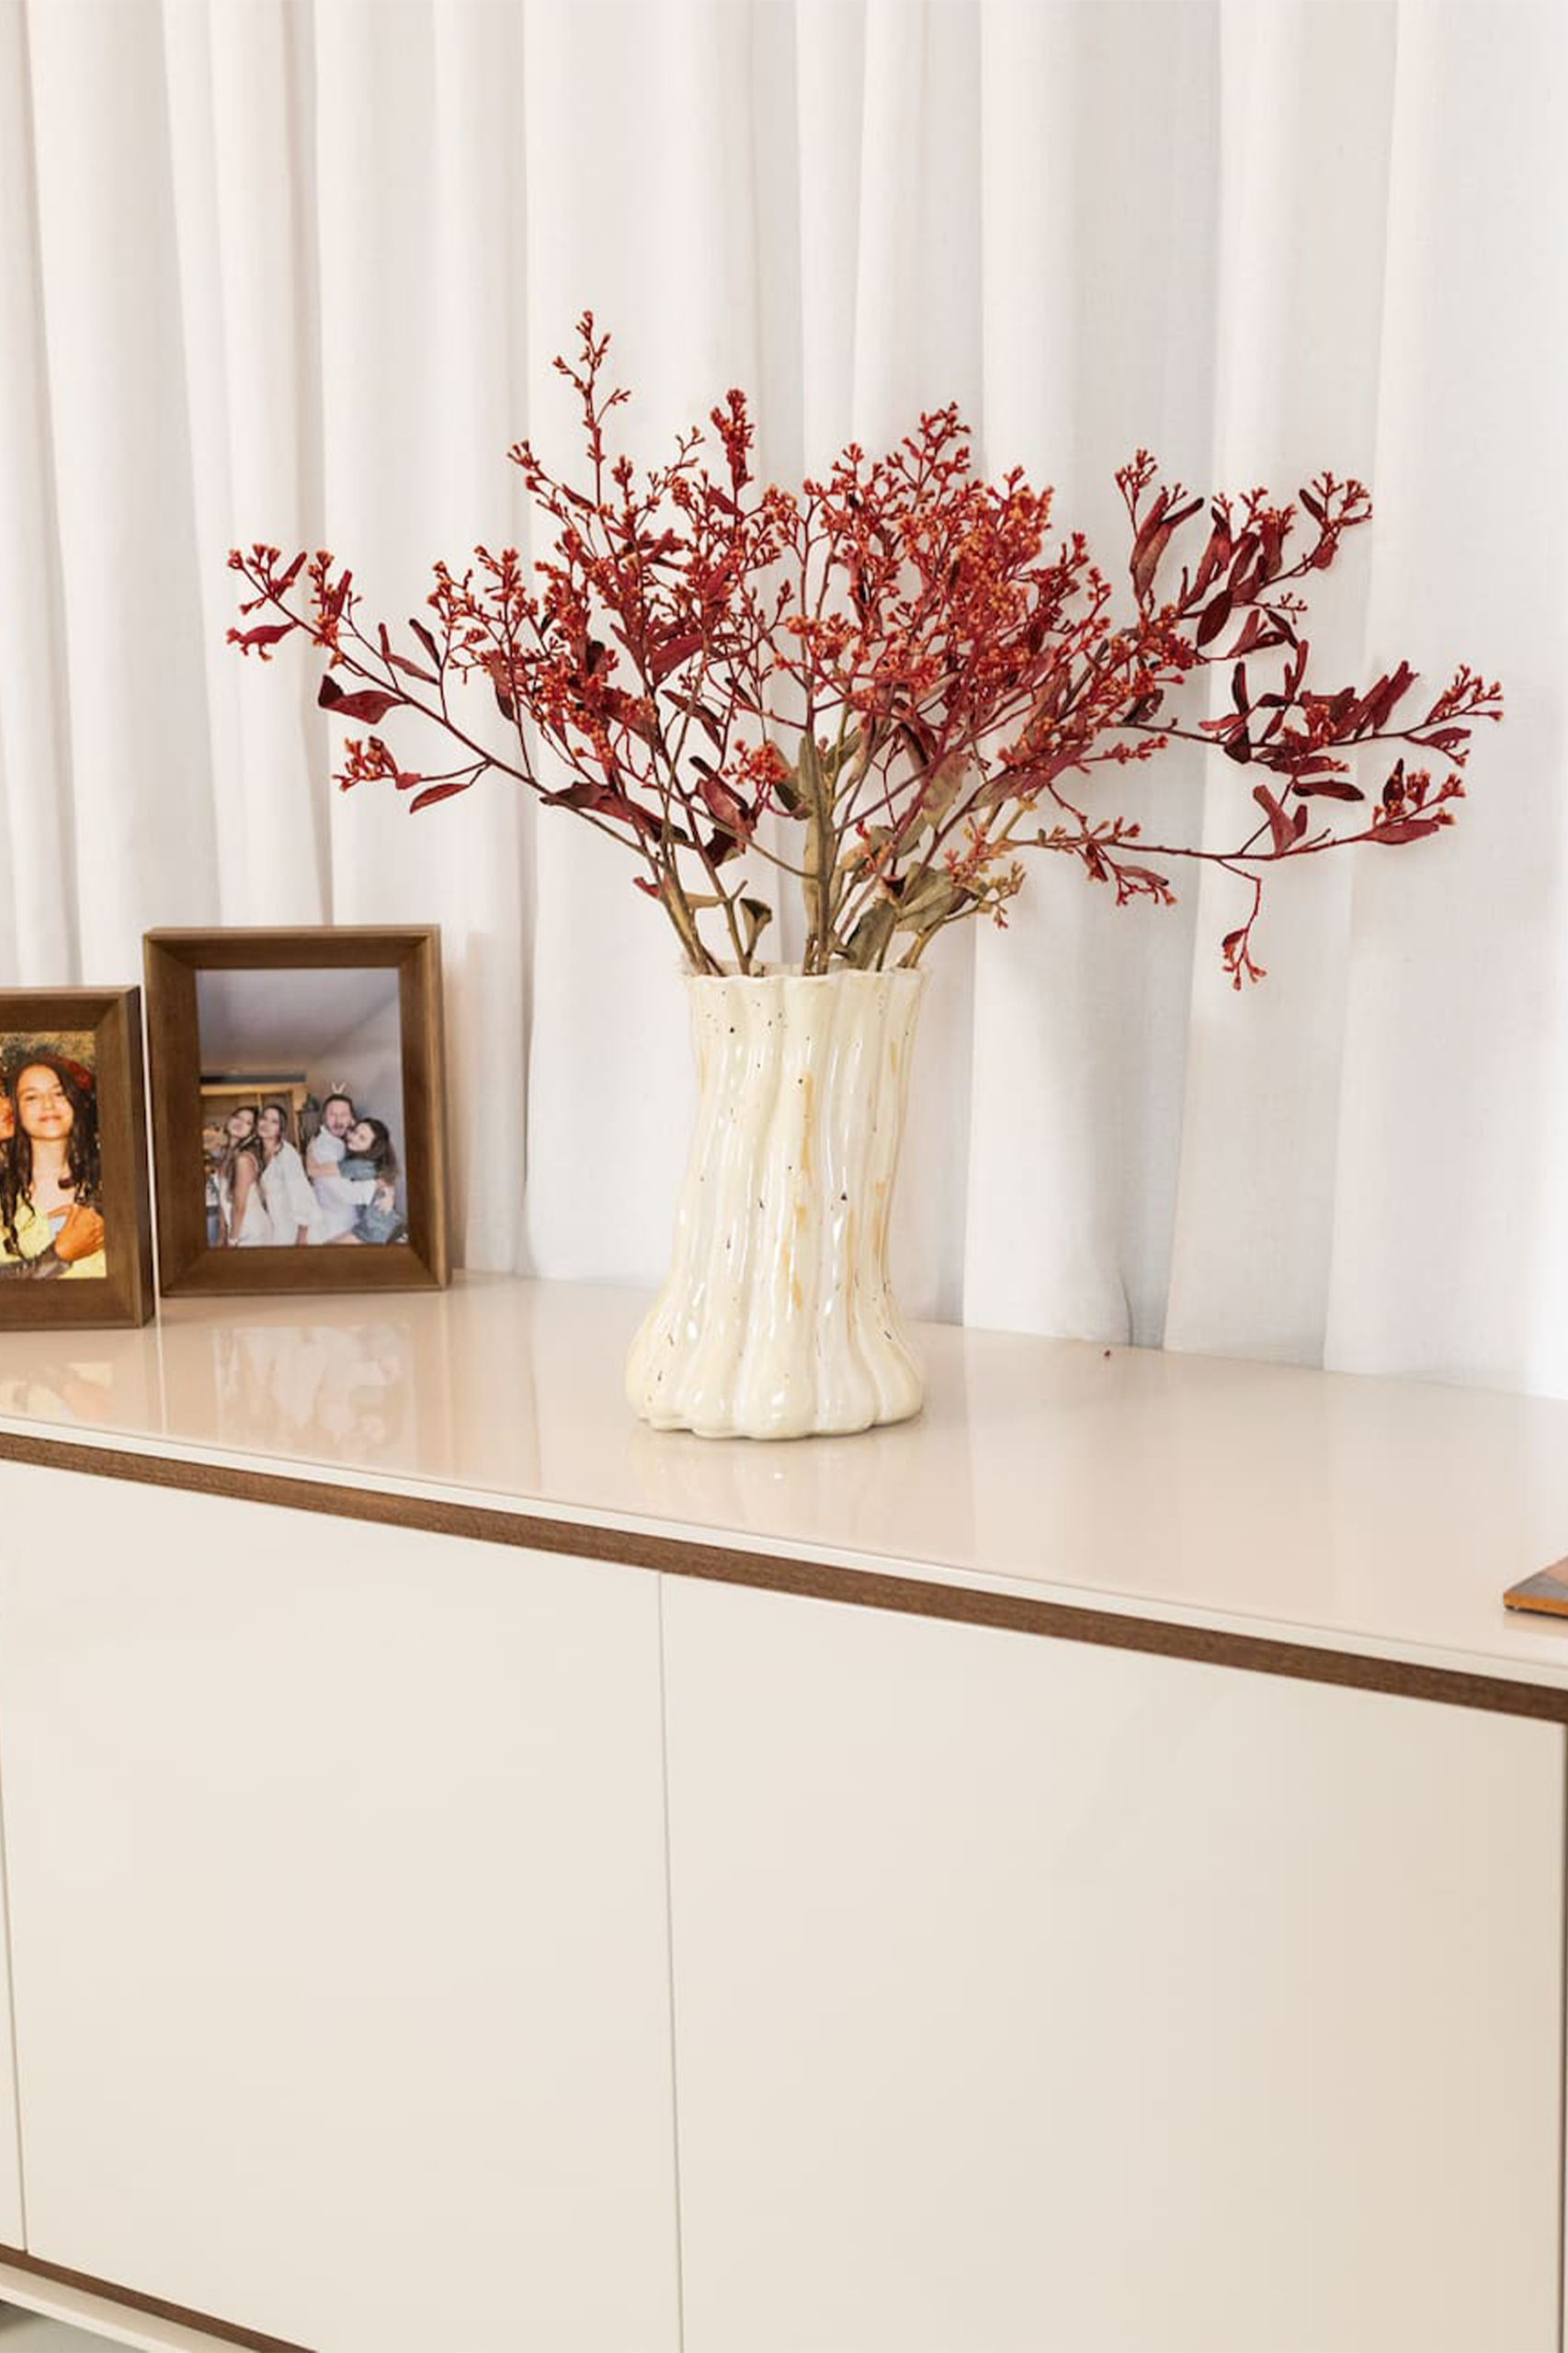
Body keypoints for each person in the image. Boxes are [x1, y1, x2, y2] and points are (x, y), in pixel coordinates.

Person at [0, 1052, 108, 1279]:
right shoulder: (6, 1202)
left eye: (59, 1093)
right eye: (31, 1097)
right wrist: (59, 1255)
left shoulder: (113, 1184)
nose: (48, 1104)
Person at [325, 1117, 403, 1245]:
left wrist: (309, 1152)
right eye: (355, 1132)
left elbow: (313, 1169)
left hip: (376, 1231)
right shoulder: (372, 1163)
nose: (354, 1137)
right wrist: (390, 1192)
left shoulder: (358, 1165)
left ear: (373, 1147)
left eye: (362, 1138)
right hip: (390, 1226)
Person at [257, 1099, 321, 1245]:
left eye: (274, 1121)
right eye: (264, 1118)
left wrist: (302, 1237)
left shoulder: (287, 1155)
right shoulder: (259, 1151)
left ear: (281, 1128)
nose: (266, 1124)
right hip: (274, 1223)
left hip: (293, 1226)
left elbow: (302, 1195)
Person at [306, 1090, 362, 1240]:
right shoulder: (323, 1148)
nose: (338, 1120)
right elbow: (345, 1193)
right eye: (332, 1114)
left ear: (352, 1118)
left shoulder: (345, 1140)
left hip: (348, 1223)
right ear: (324, 1117)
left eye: (343, 1114)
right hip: (336, 1228)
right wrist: (381, 1184)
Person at [216, 1105, 270, 1247]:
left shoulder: (244, 1159)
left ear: (253, 1132)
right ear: (229, 1120)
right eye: (238, 1117)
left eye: (248, 1122)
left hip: (251, 1232)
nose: (240, 1123)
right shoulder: (225, 1154)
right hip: (236, 1228)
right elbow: (222, 1197)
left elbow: (239, 1206)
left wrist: (232, 1240)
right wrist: (222, 1233)